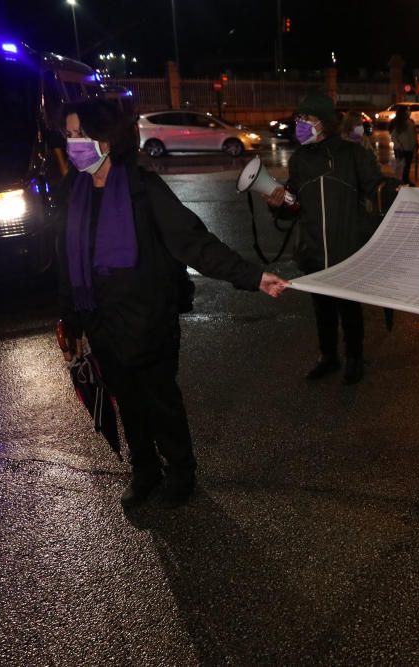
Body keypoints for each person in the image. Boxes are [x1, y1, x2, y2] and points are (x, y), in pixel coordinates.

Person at [56, 98, 288, 510]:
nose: (71, 143)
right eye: (69, 135)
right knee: (127, 401)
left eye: (79, 135)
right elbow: (67, 258)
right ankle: (145, 471)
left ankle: (181, 472)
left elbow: (194, 242)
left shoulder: (143, 190)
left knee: (160, 400)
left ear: (105, 141)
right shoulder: (73, 192)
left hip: (149, 319)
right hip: (101, 320)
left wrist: (253, 276)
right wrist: (72, 319)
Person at [266, 93, 385, 385]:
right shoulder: (299, 161)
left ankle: (354, 358)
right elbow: (295, 207)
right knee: (323, 310)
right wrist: (279, 204)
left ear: (325, 123)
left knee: (350, 309)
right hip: (314, 250)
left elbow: (379, 191)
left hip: (348, 249)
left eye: (307, 119)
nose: (301, 124)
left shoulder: (351, 154)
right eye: (299, 119)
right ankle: (328, 357)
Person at [390, 105, 418, 186]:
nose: (409, 112)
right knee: (400, 166)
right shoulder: (398, 122)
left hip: (409, 148)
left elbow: (414, 135)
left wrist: (416, 144)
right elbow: (393, 136)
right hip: (401, 148)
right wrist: (399, 146)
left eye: (409, 110)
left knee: (407, 165)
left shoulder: (410, 122)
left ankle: (405, 180)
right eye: (407, 110)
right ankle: (400, 181)